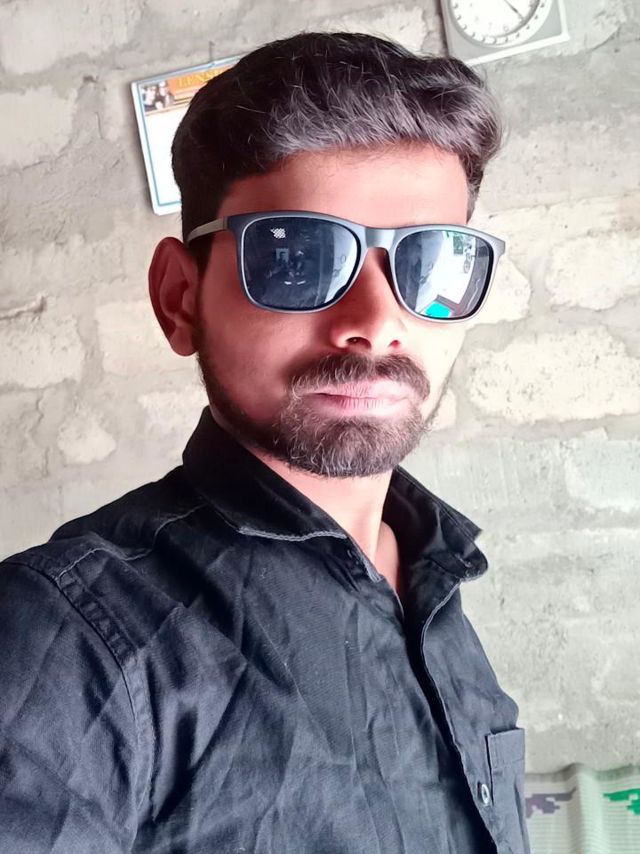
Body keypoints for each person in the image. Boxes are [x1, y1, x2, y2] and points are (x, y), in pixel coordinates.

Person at [0, 32, 530, 854]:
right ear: (181, 299)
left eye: (433, 261)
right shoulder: (64, 639)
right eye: (297, 257)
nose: (377, 322)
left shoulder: (433, 573)